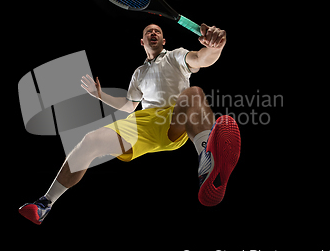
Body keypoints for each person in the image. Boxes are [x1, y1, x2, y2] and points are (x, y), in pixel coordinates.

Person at [19, 23, 241, 225]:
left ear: (164, 41)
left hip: (177, 118)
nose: (153, 33)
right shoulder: (138, 73)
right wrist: (99, 95)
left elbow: (202, 59)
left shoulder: (176, 56)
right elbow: (128, 106)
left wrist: (215, 47)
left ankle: (208, 161)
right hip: (144, 123)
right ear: (142, 42)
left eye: (158, 31)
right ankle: (45, 203)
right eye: (148, 32)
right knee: (90, 141)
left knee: (193, 93)